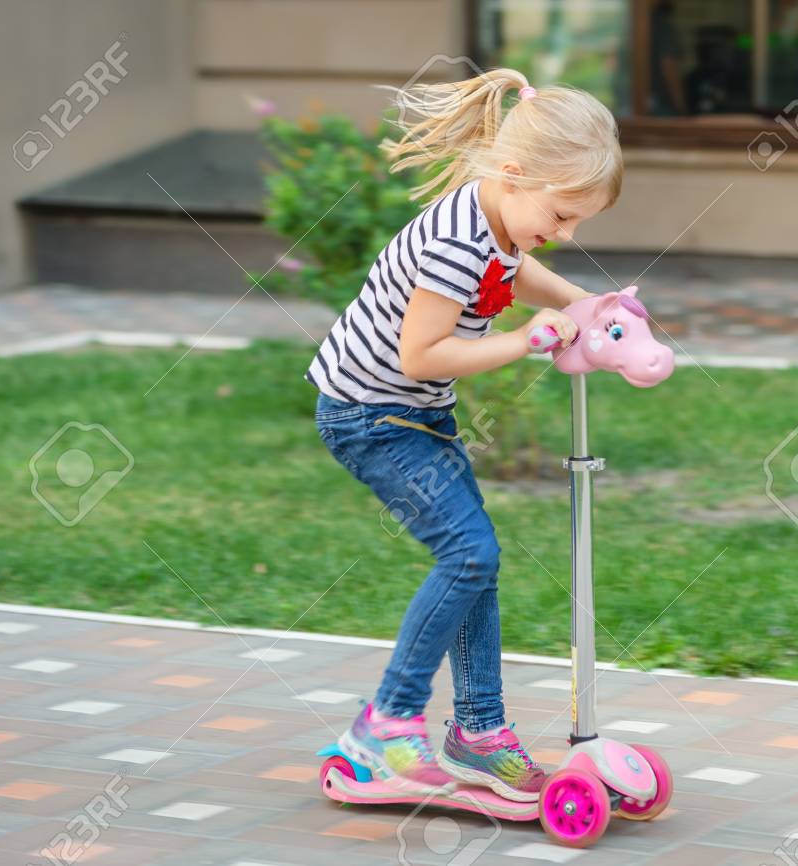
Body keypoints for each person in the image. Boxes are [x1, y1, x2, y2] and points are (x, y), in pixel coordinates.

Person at [306, 68, 623, 802]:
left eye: (579, 222)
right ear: (515, 176)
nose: (568, 233)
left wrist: (587, 300)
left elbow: (515, 269)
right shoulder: (455, 242)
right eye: (563, 214)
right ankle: (384, 725)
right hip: (369, 415)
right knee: (470, 553)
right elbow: (422, 355)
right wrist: (523, 342)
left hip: (412, 412)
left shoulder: (497, 216)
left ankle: (478, 733)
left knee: (473, 559)